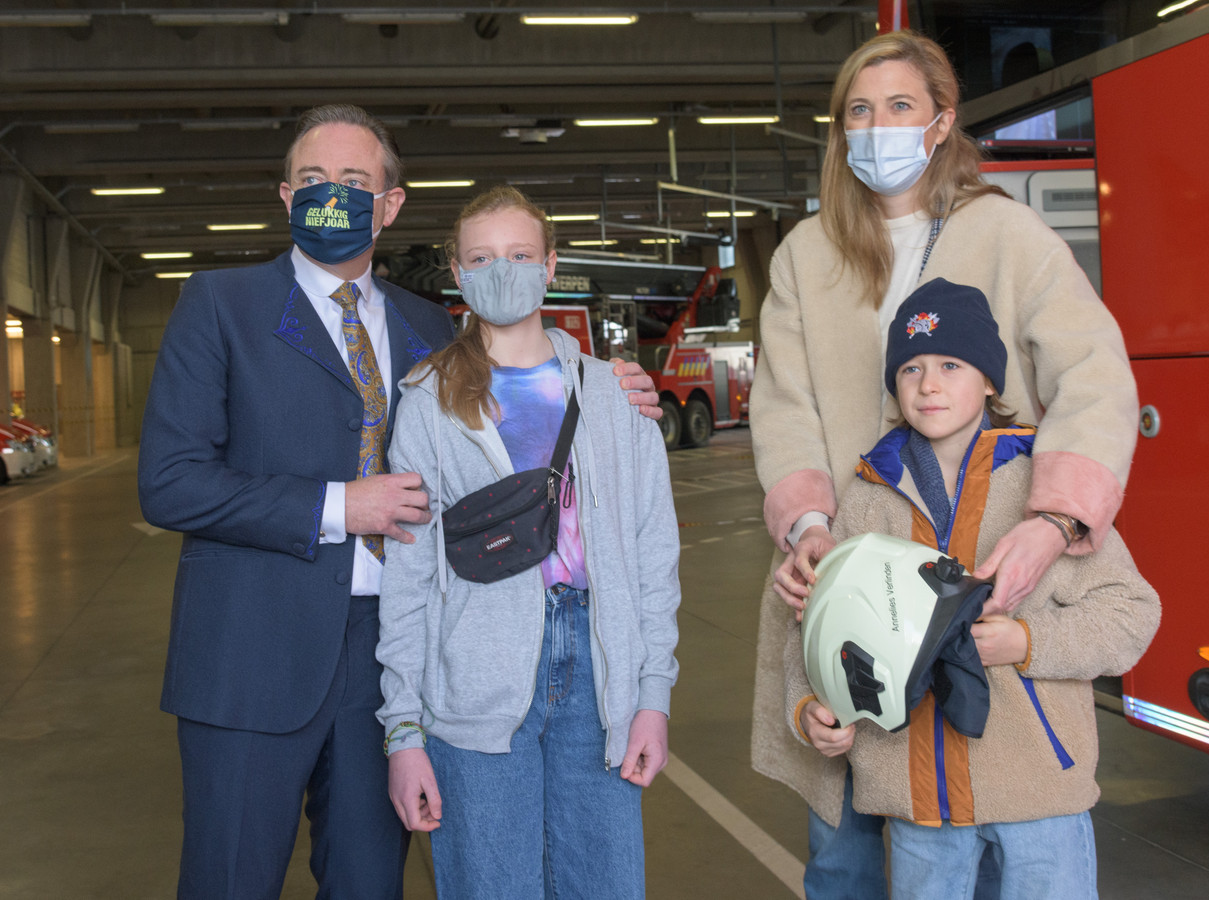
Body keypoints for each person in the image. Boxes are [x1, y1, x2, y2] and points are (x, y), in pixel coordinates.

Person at [138, 106, 659, 899]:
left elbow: (523, 382)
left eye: (355, 182)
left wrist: (619, 384)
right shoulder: (219, 305)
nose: (331, 196)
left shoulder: (428, 327)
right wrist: (341, 507)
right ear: (285, 196)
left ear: (390, 205)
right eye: (312, 180)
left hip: (385, 662)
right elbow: (170, 481)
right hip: (252, 656)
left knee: (367, 880)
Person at [748, 30, 1141, 899]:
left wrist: (1055, 519)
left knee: (998, 832)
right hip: (850, 580)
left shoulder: (1009, 235)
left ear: (941, 123)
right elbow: (784, 407)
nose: (876, 125)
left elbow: (1094, 375)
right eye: (859, 110)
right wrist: (809, 523)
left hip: (984, 572)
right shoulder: (806, 256)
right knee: (844, 845)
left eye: (899, 107)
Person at [784, 278, 1159, 899]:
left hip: (1037, 795)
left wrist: (1028, 642)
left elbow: (1132, 611)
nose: (928, 384)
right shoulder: (867, 498)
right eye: (911, 368)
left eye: (951, 365)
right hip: (917, 809)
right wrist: (810, 711)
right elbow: (815, 628)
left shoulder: (1044, 493)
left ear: (989, 379)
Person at [375, 185, 681, 900]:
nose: (501, 270)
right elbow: (409, 577)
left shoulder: (613, 395)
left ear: (550, 267)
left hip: (600, 682)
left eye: (519, 255)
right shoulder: (426, 401)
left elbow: (652, 554)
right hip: (475, 685)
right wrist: (404, 731)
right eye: (481, 257)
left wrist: (653, 696)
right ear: (456, 271)